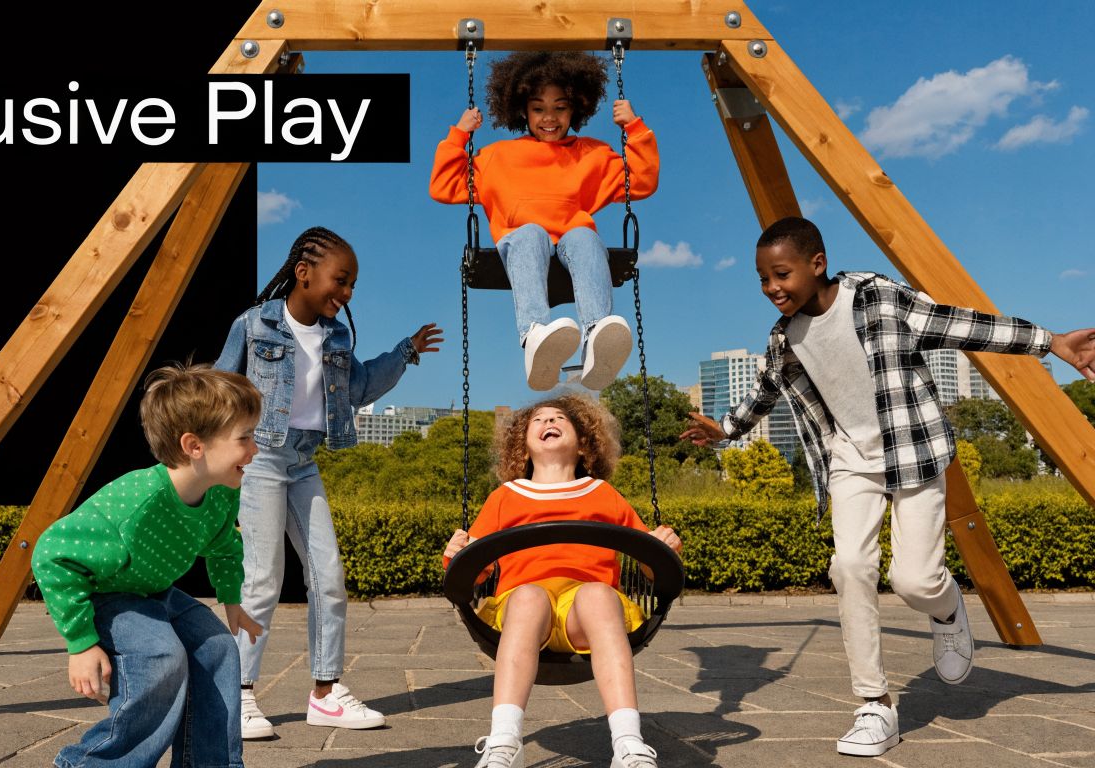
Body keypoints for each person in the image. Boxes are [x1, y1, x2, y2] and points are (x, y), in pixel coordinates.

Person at [680, 216, 1095, 758]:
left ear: (817, 264)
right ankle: (874, 704)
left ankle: (945, 610)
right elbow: (764, 393)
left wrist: (1051, 341)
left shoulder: (875, 297)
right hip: (849, 460)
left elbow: (959, 324)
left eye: (780, 274)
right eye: (762, 279)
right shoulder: (784, 339)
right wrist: (724, 430)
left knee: (914, 582)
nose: (772, 288)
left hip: (913, 450)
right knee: (849, 565)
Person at [215, 225, 444, 739]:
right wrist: (212, 454)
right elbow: (218, 387)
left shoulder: (336, 337)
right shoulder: (254, 326)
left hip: (305, 461)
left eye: (352, 286)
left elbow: (358, 388)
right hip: (261, 460)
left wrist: (405, 352)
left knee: (329, 575)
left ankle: (325, 693)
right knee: (262, 579)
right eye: (340, 281)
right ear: (304, 273)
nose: (346, 294)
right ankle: (239, 693)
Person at [31, 363, 265, 768]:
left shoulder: (221, 493)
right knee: (161, 655)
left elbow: (225, 546)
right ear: (195, 445)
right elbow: (52, 554)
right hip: (105, 594)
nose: (255, 449)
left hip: (155, 592)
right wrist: (81, 643)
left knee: (218, 649)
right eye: (244, 437)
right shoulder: (137, 504)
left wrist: (231, 601)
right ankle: (96, 763)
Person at [443, 394, 682, 768]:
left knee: (598, 596)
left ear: (584, 443)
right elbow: (474, 572)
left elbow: (649, 562)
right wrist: (457, 552)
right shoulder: (505, 497)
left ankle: (629, 744)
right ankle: (504, 743)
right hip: (523, 612)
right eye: (538, 419)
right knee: (529, 598)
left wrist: (664, 547)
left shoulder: (603, 493)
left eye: (559, 419)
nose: (548, 422)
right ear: (522, 445)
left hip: (586, 615)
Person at [429, 51, 660, 392]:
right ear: (523, 110)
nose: (549, 117)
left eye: (560, 107)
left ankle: (597, 334)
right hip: (522, 244)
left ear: (576, 108)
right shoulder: (498, 158)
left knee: (583, 235)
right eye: (538, 108)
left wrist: (634, 127)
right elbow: (443, 185)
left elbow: (640, 180)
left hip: (572, 247)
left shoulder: (591, 155)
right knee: (531, 234)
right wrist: (459, 136)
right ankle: (536, 336)